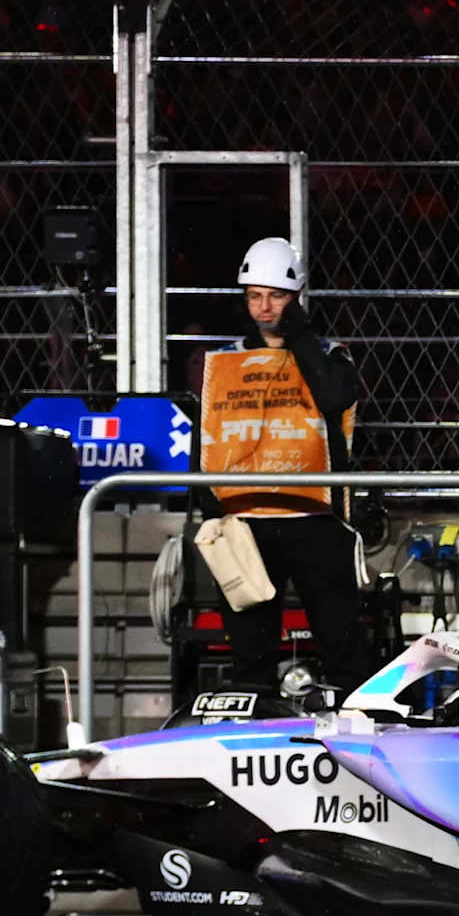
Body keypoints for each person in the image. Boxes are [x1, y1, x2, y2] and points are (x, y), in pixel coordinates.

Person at [188, 236, 368, 703]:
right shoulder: (225, 361)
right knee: (250, 655)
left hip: (316, 520)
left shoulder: (329, 354)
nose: (265, 307)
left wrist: (300, 336)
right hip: (245, 524)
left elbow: (333, 397)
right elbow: (209, 433)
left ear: (297, 297)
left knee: (342, 648)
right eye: (254, 295)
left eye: (276, 295)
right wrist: (210, 514)